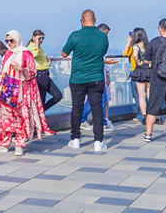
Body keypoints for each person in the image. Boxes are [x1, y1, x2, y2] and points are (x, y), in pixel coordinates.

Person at [0, 30, 49, 155]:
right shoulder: (8, 54)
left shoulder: (26, 53)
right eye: (7, 41)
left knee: (20, 117)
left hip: (22, 90)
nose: (9, 43)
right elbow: (2, 72)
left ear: (17, 40)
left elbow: (33, 71)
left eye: (11, 40)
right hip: (8, 88)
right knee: (5, 117)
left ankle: (19, 145)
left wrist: (21, 69)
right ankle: (3, 143)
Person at [62, 10, 110, 152]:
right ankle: (98, 141)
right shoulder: (103, 36)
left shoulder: (75, 35)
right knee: (97, 109)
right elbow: (103, 53)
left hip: (78, 78)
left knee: (77, 107)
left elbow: (64, 53)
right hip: (96, 77)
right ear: (94, 20)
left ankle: (75, 139)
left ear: (83, 20)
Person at [27, 30, 63, 114]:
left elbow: (38, 56)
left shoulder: (39, 48)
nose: (41, 40)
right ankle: (40, 117)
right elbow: (34, 55)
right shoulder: (31, 47)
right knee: (41, 100)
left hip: (45, 74)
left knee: (58, 95)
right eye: (39, 38)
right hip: (39, 75)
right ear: (34, 37)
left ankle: (41, 113)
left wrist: (47, 59)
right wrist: (36, 43)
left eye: (43, 38)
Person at [124, 28, 151, 122]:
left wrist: (137, 61)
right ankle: (152, 114)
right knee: (150, 94)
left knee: (140, 95)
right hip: (149, 70)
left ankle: (143, 116)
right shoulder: (148, 45)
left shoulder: (135, 46)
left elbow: (129, 54)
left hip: (138, 71)